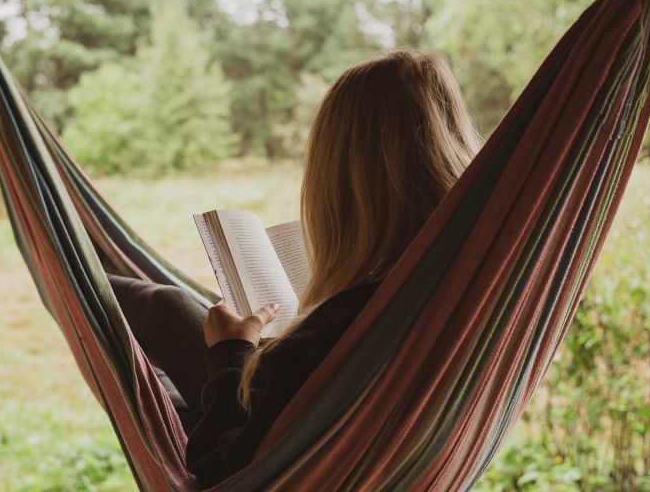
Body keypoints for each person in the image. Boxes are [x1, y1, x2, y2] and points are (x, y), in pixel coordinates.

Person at [109, 47, 481, 488]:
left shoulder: (320, 338)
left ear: (339, 181)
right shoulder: (473, 277)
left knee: (162, 310)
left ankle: (86, 272)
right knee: (167, 331)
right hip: (380, 453)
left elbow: (213, 473)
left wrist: (230, 356)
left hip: (276, 445)